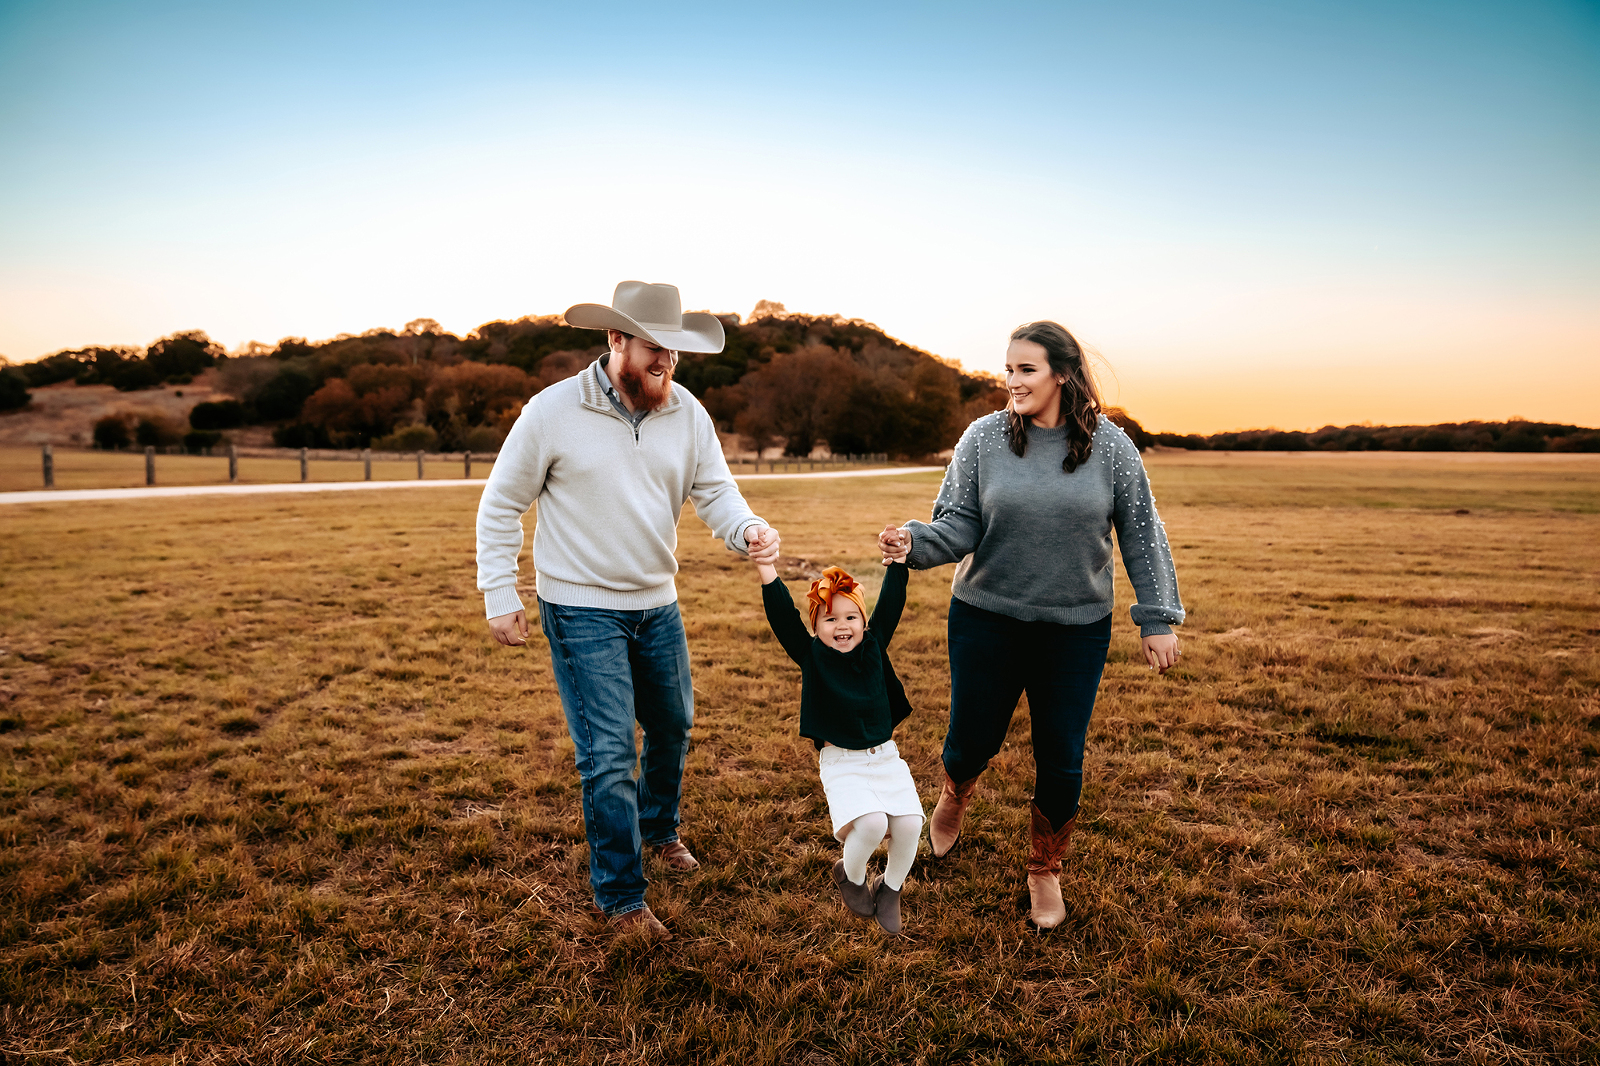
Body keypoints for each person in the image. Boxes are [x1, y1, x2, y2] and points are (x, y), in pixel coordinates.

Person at [477, 281, 781, 941]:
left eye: (674, 350)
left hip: (656, 604)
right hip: (580, 608)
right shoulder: (551, 411)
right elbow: (500, 503)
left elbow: (716, 490)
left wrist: (747, 528)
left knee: (672, 728)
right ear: (614, 339)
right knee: (610, 753)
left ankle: (660, 830)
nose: (666, 361)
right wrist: (500, 593)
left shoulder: (687, 412)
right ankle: (621, 898)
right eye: (653, 348)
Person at [879, 320, 1183, 930]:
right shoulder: (985, 439)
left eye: (1026, 370)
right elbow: (960, 524)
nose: (1011, 381)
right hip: (985, 618)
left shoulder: (1113, 448)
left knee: (1061, 755)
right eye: (1008, 369)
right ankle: (955, 792)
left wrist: (1156, 617)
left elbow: (1142, 537)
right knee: (972, 738)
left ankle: (1045, 868)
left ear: (1062, 375)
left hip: (1075, 629)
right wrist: (915, 541)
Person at [753, 549, 923, 934]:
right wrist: (767, 568)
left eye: (851, 617)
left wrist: (897, 561)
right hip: (842, 761)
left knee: (912, 824)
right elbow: (783, 617)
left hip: (885, 758)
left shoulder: (875, 645)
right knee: (872, 824)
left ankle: (891, 888)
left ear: (863, 621)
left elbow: (892, 602)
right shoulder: (812, 656)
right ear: (816, 626)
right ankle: (850, 875)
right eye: (830, 619)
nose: (841, 626)